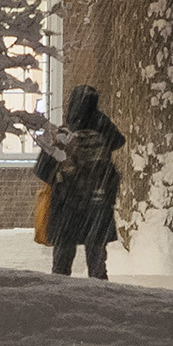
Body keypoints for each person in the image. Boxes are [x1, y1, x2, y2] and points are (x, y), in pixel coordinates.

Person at [37, 82, 127, 279]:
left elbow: (42, 170)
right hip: (97, 208)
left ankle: (59, 300)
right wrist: (99, 119)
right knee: (97, 265)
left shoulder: (63, 135)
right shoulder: (103, 133)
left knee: (61, 264)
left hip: (66, 210)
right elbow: (120, 140)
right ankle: (99, 302)